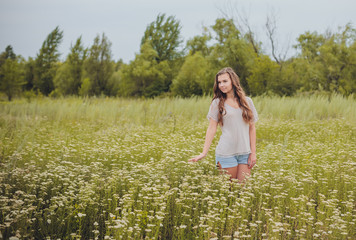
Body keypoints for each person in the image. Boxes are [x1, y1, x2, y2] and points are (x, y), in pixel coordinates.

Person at [189, 67, 258, 182]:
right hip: (226, 153)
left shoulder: (247, 101)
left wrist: (253, 153)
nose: (221, 85)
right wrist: (204, 152)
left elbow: (252, 128)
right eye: (219, 82)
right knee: (229, 191)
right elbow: (212, 128)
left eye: (225, 81)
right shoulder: (217, 103)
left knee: (243, 191)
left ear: (233, 81)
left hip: (245, 154)